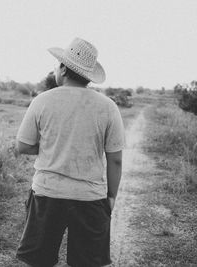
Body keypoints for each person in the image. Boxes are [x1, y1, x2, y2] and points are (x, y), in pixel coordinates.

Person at [15, 37, 125, 267]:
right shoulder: (108, 106)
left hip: (47, 194)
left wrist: (48, 146)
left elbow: (22, 145)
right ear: (88, 75)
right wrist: (111, 197)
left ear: (63, 69)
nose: (56, 68)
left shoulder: (42, 101)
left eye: (57, 65)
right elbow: (115, 160)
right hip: (90, 197)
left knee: (40, 261)